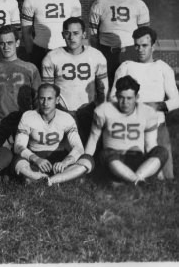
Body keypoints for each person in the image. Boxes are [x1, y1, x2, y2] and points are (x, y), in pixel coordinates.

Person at [110, 27, 178, 180]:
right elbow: (112, 98)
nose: (140, 49)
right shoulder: (126, 67)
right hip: (130, 126)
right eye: (137, 45)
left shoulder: (163, 68)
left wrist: (156, 106)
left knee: (166, 177)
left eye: (144, 45)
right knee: (122, 176)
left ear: (153, 46)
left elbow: (176, 100)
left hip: (157, 124)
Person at [84, 76, 167, 185]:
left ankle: (136, 178)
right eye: (121, 97)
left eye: (129, 98)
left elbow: (150, 144)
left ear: (137, 97)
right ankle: (137, 181)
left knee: (161, 151)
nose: (125, 102)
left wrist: (158, 168)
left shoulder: (147, 112)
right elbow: (93, 140)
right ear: (116, 96)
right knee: (105, 153)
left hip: (138, 160)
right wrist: (84, 164)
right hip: (114, 160)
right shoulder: (104, 110)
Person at [41, 17, 107, 142]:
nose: (71, 37)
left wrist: (102, 110)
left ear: (84, 34)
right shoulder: (52, 57)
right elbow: (47, 91)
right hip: (62, 110)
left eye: (76, 33)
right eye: (67, 33)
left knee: (91, 148)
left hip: (88, 110)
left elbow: (103, 88)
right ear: (62, 35)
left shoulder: (96, 55)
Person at [13, 84, 90, 186]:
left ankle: (47, 180)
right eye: (42, 99)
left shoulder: (66, 118)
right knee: (18, 162)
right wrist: (36, 159)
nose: (45, 103)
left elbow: (78, 147)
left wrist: (65, 162)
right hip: (36, 157)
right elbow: (18, 146)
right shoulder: (28, 116)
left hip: (59, 158)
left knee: (87, 160)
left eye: (49, 99)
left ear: (57, 100)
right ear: (38, 99)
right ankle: (56, 179)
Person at [0, 25, 41, 146]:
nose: (6, 47)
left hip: (23, 124)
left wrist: (35, 124)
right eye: (2, 43)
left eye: (10, 43)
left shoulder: (30, 68)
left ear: (17, 43)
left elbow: (37, 99)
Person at [89, 0, 150, 84]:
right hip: (106, 52)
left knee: (131, 87)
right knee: (105, 88)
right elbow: (93, 35)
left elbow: (145, 37)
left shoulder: (138, 4)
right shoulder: (99, 3)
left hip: (130, 52)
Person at [21, 0, 81, 71]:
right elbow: (26, 30)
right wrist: (31, 53)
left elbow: (78, 30)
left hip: (65, 51)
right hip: (40, 51)